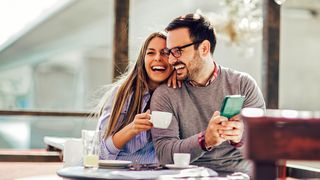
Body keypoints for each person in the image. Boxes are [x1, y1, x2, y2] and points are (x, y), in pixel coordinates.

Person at [150, 13, 266, 174]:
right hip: (188, 177)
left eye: (177, 51)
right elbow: (164, 154)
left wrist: (239, 138)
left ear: (204, 48)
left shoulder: (243, 84)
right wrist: (204, 141)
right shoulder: (165, 94)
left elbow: (264, 146)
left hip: (240, 176)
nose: (170, 60)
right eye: (169, 52)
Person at [97, 32, 173, 164]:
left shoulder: (179, 95)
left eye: (165, 53)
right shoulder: (122, 93)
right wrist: (132, 128)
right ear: (142, 60)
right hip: (118, 173)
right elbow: (102, 151)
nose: (158, 58)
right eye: (151, 53)